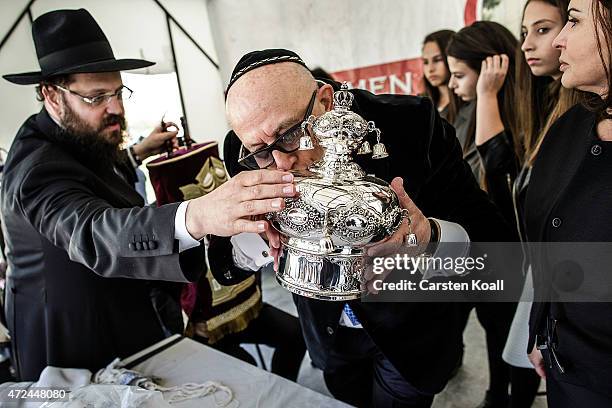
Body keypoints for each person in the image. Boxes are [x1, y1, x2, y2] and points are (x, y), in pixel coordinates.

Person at [0, 9, 295, 381]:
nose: (116, 108)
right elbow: (92, 229)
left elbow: (98, 175)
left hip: (131, 321)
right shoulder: (35, 169)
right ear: (51, 95)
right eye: (97, 98)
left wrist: (137, 154)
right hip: (71, 347)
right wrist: (198, 215)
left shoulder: (78, 138)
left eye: (118, 92)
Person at [212, 48, 515, 408]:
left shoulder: (411, 124)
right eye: (262, 152)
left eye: (290, 134)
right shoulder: (243, 149)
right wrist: (258, 239)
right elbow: (227, 261)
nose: (282, 164)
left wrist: (429, 236)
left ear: (325, 100)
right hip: (328, 337)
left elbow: (493, 240)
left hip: (410, 332)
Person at [482, 1, 581, 407]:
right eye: (525, 32)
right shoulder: (549, 105)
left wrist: (485, 94)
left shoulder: (578, 116)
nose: (530, 44)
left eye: (545, 29)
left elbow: (496, 159)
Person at [525, 0, 612, 406]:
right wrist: (541, 331)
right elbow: (544, 251)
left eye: (573, 21)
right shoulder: (569, 128)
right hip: (567, 370)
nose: (559, 40)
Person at [446, 21, 521, 408]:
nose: (453, 85)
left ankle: (507, 398)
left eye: (460, 75)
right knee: (493, 327)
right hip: (480, 251)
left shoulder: (513, 114)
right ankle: (496, 395)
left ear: (492, 66)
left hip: (512, 255)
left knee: (511, 335)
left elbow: (497, 165)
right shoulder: (463, 112)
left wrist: (487, 93)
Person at [422, 30, 480, 179]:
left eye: (437, 59)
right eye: (425, 62)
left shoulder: (472, 104)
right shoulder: (423, 106)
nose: (430, 68)